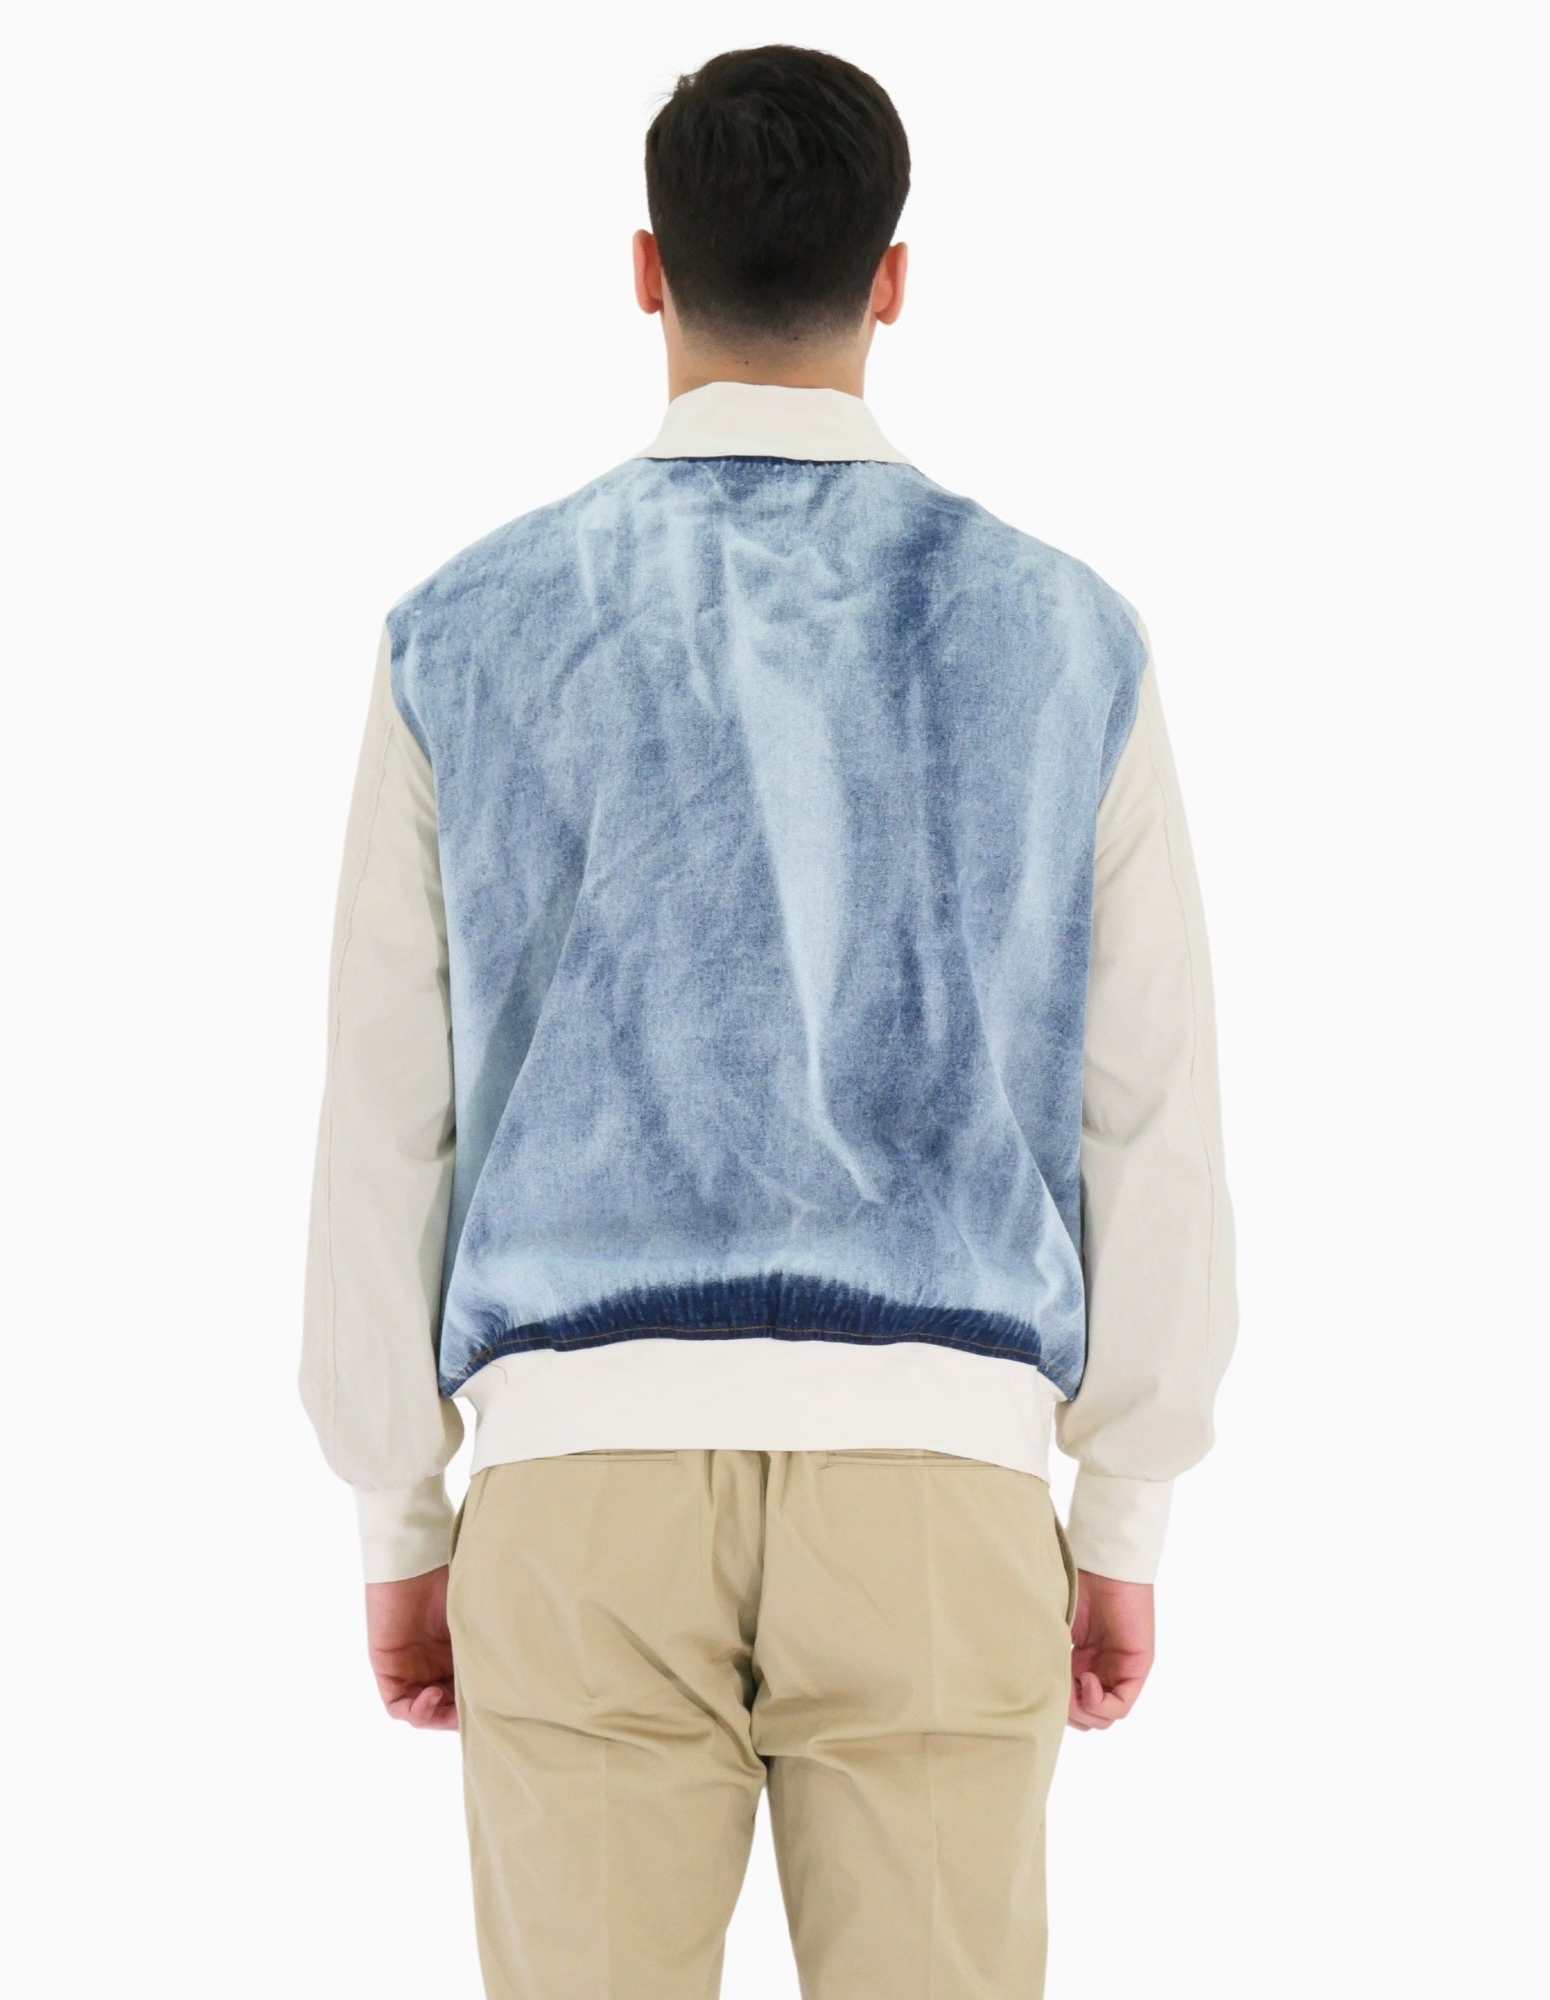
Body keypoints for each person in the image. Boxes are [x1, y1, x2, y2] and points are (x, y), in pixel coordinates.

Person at [300, 41, 1238, 2000]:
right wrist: (1122, 1507)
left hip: (576, 1495)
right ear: (892, 280)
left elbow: (388, 1110)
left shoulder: (458, 632)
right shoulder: (1068, 636)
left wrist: (400, 1508)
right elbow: (1146, 1104)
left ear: (647, 270)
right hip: (941, 1491)